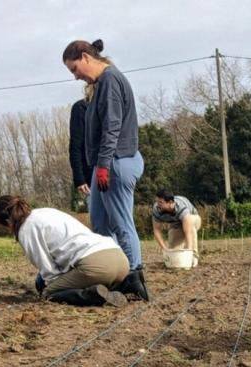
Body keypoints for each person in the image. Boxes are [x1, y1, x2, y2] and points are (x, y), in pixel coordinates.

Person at [63, 38, 148, 301]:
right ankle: (112, 271)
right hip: (105, 164)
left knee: (122, 223)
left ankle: (134, 276)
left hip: (116, 163)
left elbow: (112, 126)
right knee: (100, 224)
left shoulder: (110, 80)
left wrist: (103, 166)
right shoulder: (100, 84)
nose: (76, 77)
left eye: (75, 69)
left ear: (86, 57)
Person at [0, 195, 129, 307]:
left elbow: (49, 271)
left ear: (7, 220)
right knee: (45, 281)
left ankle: (94, 296)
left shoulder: (26, 229)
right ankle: (131, 282)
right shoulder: (46, 211)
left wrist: (49, 286)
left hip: (96, 266)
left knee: (48, 293)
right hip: (120, 259)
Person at [152, 190, 201, 265]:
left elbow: (188, 232)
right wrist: (165, 249)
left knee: (190, 224)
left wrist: (189, 251)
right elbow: (157, 230)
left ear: (170, 202)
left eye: (161, 202)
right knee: (173, 251)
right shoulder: (156, 209)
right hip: (176, 224)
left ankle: (193, 256)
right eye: (157, 201)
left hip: (193, 219)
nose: (158, 204)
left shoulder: (181, 207)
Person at [68, 88, 92, 206]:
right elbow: (75, 146)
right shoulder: (81, 108)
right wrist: (79, 178)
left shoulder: (112, 106)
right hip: (92, 176)